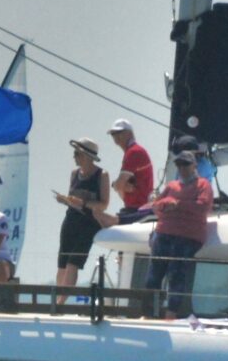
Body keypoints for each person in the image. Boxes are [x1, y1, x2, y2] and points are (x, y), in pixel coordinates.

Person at [146, 150, 215, 317]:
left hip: (187, 236)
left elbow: (203, 206)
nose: (182, 168)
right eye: (179, 164)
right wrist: (167, 204)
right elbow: (156, 206)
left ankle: (171, 314)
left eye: (185, 164)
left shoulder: (203, 185)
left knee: (176, 274)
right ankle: (148, 313)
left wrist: (178, 205)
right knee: (154, 275)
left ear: (194, 165)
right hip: (164, 233)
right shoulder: (171, 186)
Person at [52, 138, 110, 292]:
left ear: (87, 156)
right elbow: (72, 199)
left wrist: (83, 203)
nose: (74, 157)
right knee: (62, 261)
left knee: (73, 262)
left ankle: (61, 302)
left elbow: (104, 204)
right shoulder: (74, 174)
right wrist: (65, 200)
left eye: (77, 154)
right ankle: (56, 301)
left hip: (89, 223)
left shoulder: (102, 175)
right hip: (71, 219)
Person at [108, 120, 155, 218]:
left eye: (119, 133)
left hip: (138, 208)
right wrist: (118, 185)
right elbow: (121, 186)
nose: (116, 136)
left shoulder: (134, 152)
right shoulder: (133, 151)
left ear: (129, 133)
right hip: (137, 207)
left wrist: (117, 185)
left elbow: (119, 185)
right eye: (113, 134)